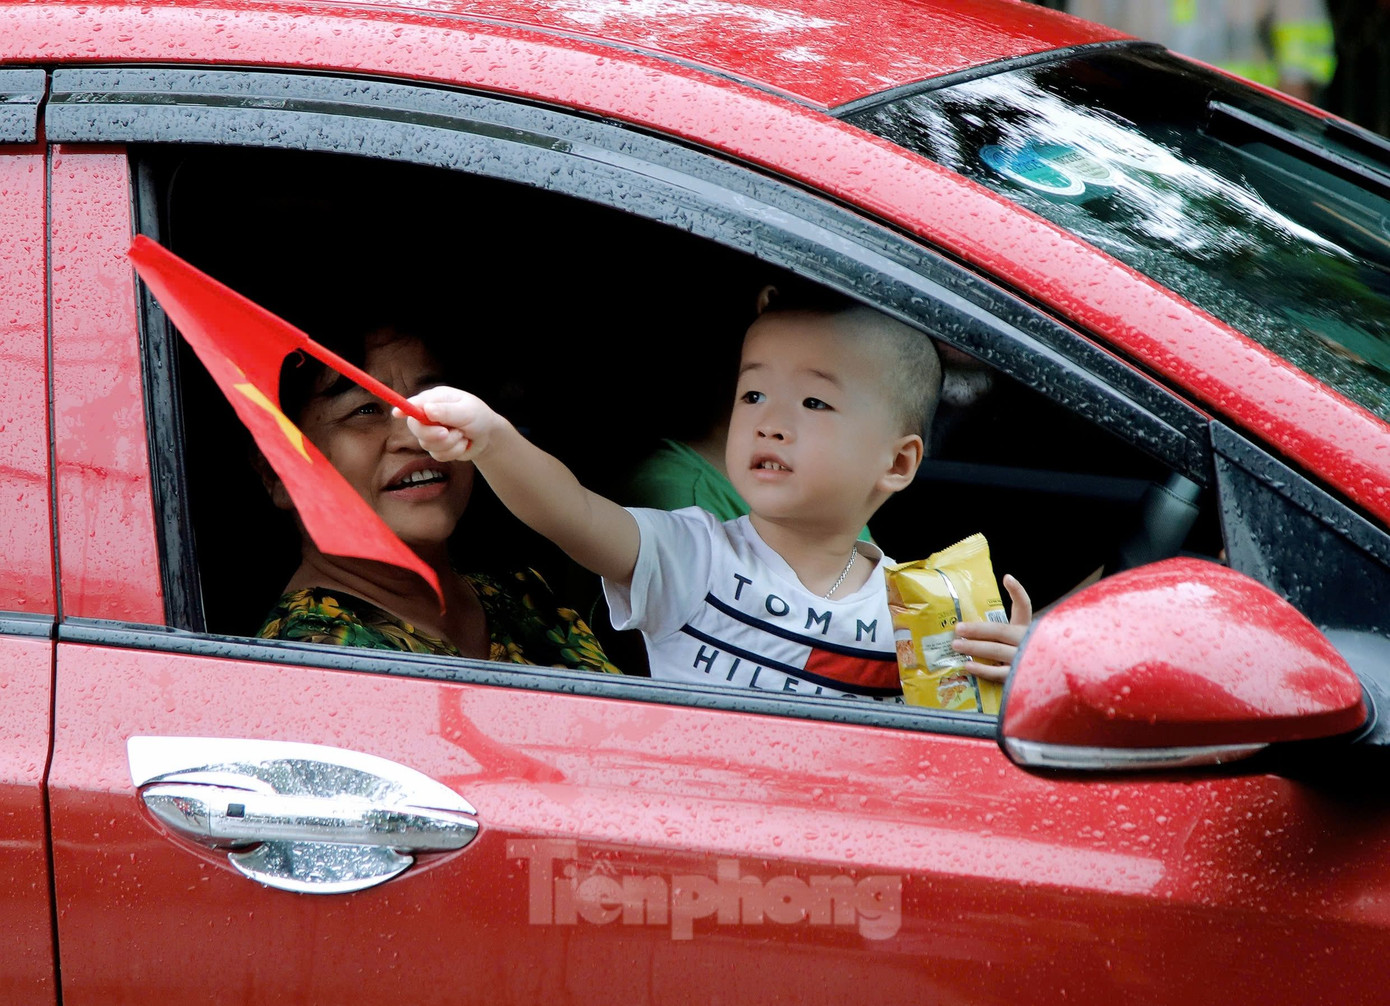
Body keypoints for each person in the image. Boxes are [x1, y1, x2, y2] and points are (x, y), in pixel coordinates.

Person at [399, 293, 1030, 700]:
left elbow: (952, 754)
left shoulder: (924, 612)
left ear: (896, 463)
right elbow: (572, 512)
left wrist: (1016, 674)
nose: (769, 421)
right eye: (753, 395)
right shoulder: (693, 554)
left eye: (814, 402)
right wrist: (493, 440)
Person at [254, 323, 620, 674]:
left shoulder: (521, 595)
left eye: (433, 401)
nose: (416, 435)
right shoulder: (311, 656)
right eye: (365, 410)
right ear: (278, 472)